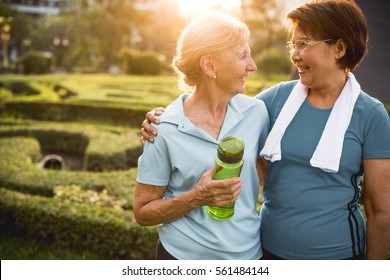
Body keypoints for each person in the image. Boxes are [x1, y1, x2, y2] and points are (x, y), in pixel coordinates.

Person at [140, 0, 390, 260]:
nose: (294, 54)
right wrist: (161, 117)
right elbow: (216, 106)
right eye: (294, 44)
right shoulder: (276, 99)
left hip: (338, 257)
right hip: (268, 254)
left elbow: (379, 210)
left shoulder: (370, 115)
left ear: (339, 48)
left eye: (303, 44)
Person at [134, 12, 269, 260]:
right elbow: (142, 212)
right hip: (180, 257)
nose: (252, 66)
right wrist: (195, 198)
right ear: (209, 65)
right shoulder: (162, 128)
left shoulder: (257, 112)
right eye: (242, 56)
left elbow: (268, 173)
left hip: (249, 257)